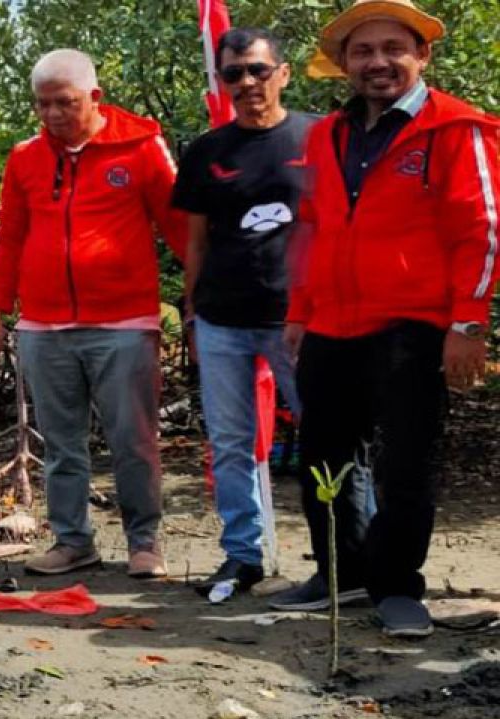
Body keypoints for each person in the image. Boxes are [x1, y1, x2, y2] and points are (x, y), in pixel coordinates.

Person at [273, 0, 500, 638]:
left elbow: (482, 230)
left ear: (421, 55)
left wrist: (468, 325)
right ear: (344, 63)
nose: (378, 63)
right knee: (323, 456)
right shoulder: (326, 134)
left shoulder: (458, 127)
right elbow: (312, 230)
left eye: (392, 49)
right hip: (332, 324)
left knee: (406, 462)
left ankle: (399, 587)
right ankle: (340, 574)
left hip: (414, 324)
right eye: (363, 52)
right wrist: (298, 312)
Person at [0, 49, 187, 577]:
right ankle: (74, 541)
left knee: (133, 439)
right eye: (42, 105)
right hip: (45, 326)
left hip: (125, 323)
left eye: (64, 103)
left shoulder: (143, 147)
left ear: (94, 97)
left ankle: (144, 542)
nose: (52, 115)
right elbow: (11, 237)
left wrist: (200, 301)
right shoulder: (24, 157)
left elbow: (182, 230)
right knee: (62, 444)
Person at [172, 28, 314, 593]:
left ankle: (349, 557)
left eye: (258, 70)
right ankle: (242, 554)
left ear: (283, 73)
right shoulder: (207, 152)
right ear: (222, 81)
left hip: (298, 320)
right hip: (221, 320)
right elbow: (196, 243)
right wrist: (189, 310)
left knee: (328, 436)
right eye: (234, 74)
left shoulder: (320, 136)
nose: (247, 83)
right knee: (230, 444)